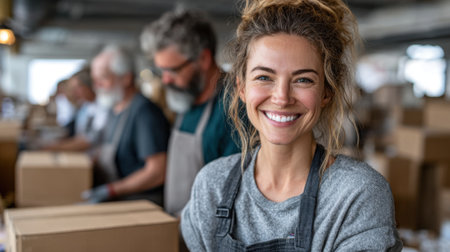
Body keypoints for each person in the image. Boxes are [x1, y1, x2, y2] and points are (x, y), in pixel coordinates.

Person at [181, 0, 403, 251]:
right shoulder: (212, 186)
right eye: (264, 77)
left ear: (326, 92)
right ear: (242, 87)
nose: (282, 97)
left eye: (303, 80)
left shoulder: (355, 195)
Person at [141, 9, 240, 217]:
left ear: (203, 59)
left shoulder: (233, 108)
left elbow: (235, 194)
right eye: (162, 71)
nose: (165, 80)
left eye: (172, 70)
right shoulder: (185, 99)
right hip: (178, 225)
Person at [82, 45, 170, 206]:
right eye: (95, 80)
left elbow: (157, 171)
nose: (97, 86)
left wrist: (112, 190)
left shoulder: (144, 112)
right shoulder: (114, 109)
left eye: (103, 79)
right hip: (121, 199)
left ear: (126, 78)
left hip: (141, 203)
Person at [43, 67, 107, 152]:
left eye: (76, 88)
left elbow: (90, 140)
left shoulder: (103, 107)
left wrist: (55, 147)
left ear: (87, 87)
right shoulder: (85, 107)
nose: (73, 93)